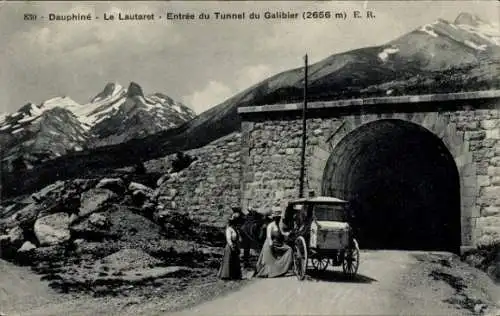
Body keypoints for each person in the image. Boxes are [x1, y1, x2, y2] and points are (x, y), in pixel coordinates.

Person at [255, 209, 293, 278]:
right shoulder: (270, 226)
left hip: (279, 244)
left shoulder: (278, 225)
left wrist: (287, 233)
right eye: (277, 218)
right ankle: (270, 272)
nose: (278, 219)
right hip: (271, 244)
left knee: (289, 249)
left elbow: (281, 233)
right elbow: (269, 236)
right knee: (270, 260)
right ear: (274, 218)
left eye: (279, 218)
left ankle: (282, 268)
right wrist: (270, 243)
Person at [218, 213, 242, 280]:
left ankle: (235, 275)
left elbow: (238, 238)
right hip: (230, 246)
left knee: (235, 260)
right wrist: (232, 245)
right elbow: (228, 238)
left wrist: (238, 245)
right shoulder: (229, 229)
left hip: (235, 245)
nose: (235, 223)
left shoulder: (236, 229)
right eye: (234, 222)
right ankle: (226, 275)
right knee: (229, 260)